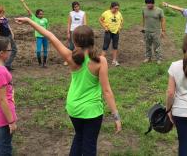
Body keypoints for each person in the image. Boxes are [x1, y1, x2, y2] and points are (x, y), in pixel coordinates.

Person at [15, 17, 122, 156]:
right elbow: (107, 91)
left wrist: (29, 21)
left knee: (79, 137)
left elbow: (50, 35)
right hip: (92, 111)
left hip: (74, 108)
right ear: (92, 40)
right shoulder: (100, 60)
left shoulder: (70, 57)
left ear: (75, 41)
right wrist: (116, 117)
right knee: (89, 146)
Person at [20, 0, 49, 67]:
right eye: (40, 14)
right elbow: (28, 10)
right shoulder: (35, 19)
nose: (41, 15)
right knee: (38, 51)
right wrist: (23, 2)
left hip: (45, 37)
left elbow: (47, 28)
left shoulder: (45, 20)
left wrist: (47, 35)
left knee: (45, 50)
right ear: (37, 15)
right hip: (39, 37)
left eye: (42, 14)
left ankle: (44, 63)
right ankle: (39, 63)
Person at [141, 0, 166, 65]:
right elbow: (143, 18)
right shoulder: (144, 10)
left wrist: (163, 31)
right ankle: (148, 58)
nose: (148, 5)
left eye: (150, 3)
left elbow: (163, 20)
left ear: (153, 3)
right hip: (147, 31)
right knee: (147, 45)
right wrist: (143, 27)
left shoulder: (159, 10)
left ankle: (158, 59)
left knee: (157, 46)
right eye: (147, 3)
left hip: (156, 31)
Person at [99, 2, 123, 67]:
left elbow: (121, 21)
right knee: (105, 46)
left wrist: (119, 28)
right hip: (108, 31)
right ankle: (101, 62)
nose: (116, 10)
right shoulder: (106, 13)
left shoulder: (119, 13)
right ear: (111, 7)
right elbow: (100, 20)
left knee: (115, 46)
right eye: (115, 8)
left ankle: (114, 61)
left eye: (118, 8)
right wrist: (105, 27)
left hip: (116, 32)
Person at [64, 1, 87, 66]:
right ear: (73, 8)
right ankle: (67, 60)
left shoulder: (83, 13)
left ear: (79, 6)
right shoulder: (71, 13)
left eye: (77, 6)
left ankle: (81, 60)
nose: (76, 8)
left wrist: (84, 31)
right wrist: (68, 32)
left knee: (80, 46)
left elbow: (85, 23)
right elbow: (69, 23)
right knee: (71, 46)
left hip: (80, 31)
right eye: (75, 7)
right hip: (72, 31)